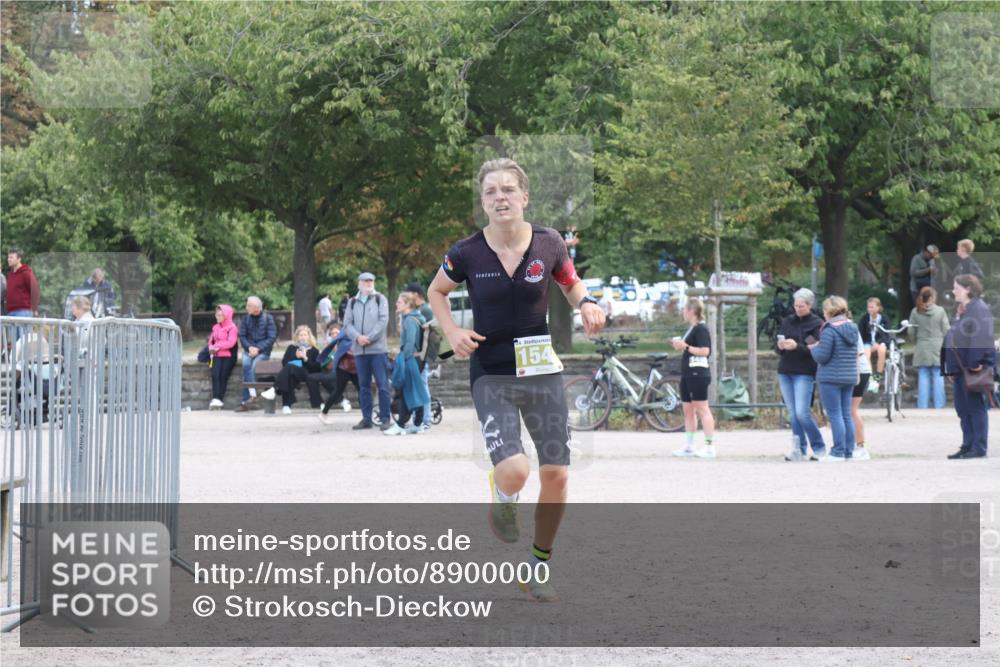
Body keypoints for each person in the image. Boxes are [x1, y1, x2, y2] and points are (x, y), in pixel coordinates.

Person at [428, 158, 606, 603]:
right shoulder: (466, 251)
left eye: (508, 189)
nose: (500, 197)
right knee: (514, 469)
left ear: (525, 197)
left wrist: (587, 304)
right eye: (491, 192)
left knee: (557, 476)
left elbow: (570, 283)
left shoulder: (549, 244)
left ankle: (538, 565)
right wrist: (452, 332)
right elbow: (436, 292)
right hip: (492, 373)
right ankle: (503, 495)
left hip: (542, 372)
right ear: (483, 202)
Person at [942, 275, 995, 459]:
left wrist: (974, 363)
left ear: (968, 289)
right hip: (961, 368)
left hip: (971, 368)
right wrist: (951, 367)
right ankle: (968, 444)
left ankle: (978, 447)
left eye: (957, 287)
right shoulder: (965, 309)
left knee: (975, 407)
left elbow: (980, 337)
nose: (954, 290)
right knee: (963, 409)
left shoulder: (978, 309)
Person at [774, 288, 827, 462]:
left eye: (801, 306)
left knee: (802, 412)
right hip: (786, 370)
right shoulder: (788, 321)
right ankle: (799, 448)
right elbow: (776, 346)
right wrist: (781, 346)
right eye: (796, 305)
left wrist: (796, 346)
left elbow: (815, 348)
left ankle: (819, 447)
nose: (797, 309)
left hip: (804, 371)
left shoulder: (817, 323)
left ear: (810, 305)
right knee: (792, 413)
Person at [809, 296, 860, 462]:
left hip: (831, 377)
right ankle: (848, 451)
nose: (823, 314)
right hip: (849, 376)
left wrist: (813, 348)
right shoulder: (852, 327)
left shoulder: (830, 329)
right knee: (846, 414)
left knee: (835, 415)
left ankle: (837, 451)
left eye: (824, 310)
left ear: (829, 311)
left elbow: (822, 357)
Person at [342, 272, 392, 430]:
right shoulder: (352, 302)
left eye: (371, 280)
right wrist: (358, 338)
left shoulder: (380, 299)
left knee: (382, 385)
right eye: (366, 281)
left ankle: (385, 418)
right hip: (360, 351)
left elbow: (383, 321)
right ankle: (366, 418)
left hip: (377, 350)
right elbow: (347, 324)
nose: (369, 283)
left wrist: (368, 337)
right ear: (359, 283)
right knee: (363, 386)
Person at [670, 298, 716, 459]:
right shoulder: (692, 328)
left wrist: (686, 346)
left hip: (698, 373)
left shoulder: (701, 329)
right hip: (688, 372)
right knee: (688, 410)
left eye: (684, 310)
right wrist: (680, 346)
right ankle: (690, 445)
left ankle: (709, 446)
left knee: (702, 409)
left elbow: (705, 351)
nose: (683, 313)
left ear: (691, 311)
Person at [384, 293, 430, 435]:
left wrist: (403, 358)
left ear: (407, 305)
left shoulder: (409, 320)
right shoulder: (417, 317)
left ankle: (401, 425)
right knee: (415, 390)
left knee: (405, 391)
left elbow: (409, 343)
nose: (397, 304)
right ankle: (418, 424)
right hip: (418, 359)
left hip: (411, 359)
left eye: (399, 302)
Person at [260, 325, 322, 414]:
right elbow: (284, 362)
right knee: (289, 375)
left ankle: (274, 390)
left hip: (305, 374)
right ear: (297, 337)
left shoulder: (314, 350)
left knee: (290, 367)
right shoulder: (291, 348)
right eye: (301, 335)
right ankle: (286, 407)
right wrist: (295, 356)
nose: (303, 337)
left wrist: (305, 359)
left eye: (305, 335)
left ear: (309, 336)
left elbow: (316, 368)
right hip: (292, 373)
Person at [908, 286, 950, 409]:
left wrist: (915, 341)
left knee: (923, 375)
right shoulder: (940, 311)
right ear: (931, 297)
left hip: (922, 346)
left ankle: (922, 406)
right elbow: (946, 330)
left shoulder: (915, 311)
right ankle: (939, 405)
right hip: (938, 346)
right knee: (938, 376)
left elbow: (911, 331)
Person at [310, 322, 358, 424]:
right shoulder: (345, 336)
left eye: (337, 332)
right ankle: (323, 413)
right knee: (338, 391)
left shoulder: (351, 332)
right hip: (344, 368)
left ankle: (369, 414)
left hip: (353, 368)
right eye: (333, 333)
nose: (335, 335)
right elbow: (326, 360)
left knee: (362, 389)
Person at [235, 296, 277, 411]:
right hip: (249, 350)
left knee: (254, 367)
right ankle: (252, 396)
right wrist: (249, 347)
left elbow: (271, 337)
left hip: (263, 351)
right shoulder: (245, 319)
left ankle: (247, 399)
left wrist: (258, 348)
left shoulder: (268, 318)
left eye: (249, 305)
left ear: (256, 307)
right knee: (246, 364)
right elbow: (242, 336)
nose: (246, 307)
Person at [403, 281, 435, 431]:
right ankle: (421, 417)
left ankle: (426, 418)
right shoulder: (421, 310)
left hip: (421, 355)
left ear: (415, 295)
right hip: (420, 354)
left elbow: (426, 335)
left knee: (422, 386)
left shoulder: (425, 311)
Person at [206, 304, 239, 410]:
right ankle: (216, 399)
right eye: (216, 315)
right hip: (216, 354)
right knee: (215, 375)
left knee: (223, 376)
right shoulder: (215, 327)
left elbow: (231, 343)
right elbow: (211, 341)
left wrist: (217, 346)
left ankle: (219, 399)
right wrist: (211, 347)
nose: (217, 317)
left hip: (228, 355)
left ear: (227, 315)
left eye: (220, 315)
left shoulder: (232, 328)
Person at [6, 248, 40, 343]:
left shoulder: (26, 273)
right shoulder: (10, 275)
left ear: (19, 259)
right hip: (11, 312)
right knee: (14, 344)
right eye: (8, 257)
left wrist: (35, 308)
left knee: (24, 342)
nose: (9, 259)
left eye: (11, 257)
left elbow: (35, 290)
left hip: (23, 311)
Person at [850, 314, 871, 460]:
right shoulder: (860, 321)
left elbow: (857, 352)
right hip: (861, 369)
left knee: (852, 410)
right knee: (849, 410)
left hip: (860, 370)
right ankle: (854, 444)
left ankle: (860, 446)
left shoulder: (850, 328)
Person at [858, 297, 890, 389]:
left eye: (872, 307)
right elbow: (860, 334)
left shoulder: (884, 318)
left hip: (880, 342)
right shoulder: (864, 319)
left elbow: (886, 334)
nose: (869, 309)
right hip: (868, 343)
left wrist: (878, 342)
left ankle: (877, 377)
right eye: (868, 307)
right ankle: (871, 378)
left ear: (878, 307)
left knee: (882, 350)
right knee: (866, 353)